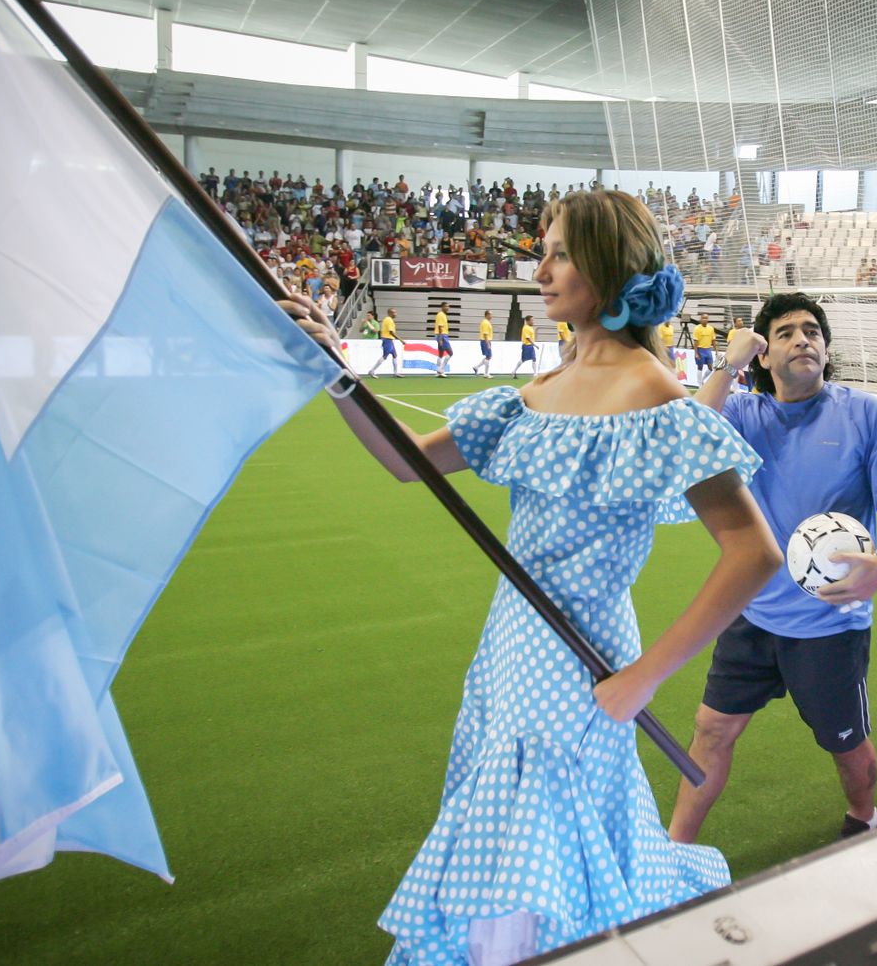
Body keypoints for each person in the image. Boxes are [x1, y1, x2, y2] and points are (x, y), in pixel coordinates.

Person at [285, 189, 785, 966]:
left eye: (558, 253)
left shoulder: (651, 392)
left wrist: (648, 677)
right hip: (509, 649)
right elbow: (405, 460)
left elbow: (754, 552)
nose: (540, 269)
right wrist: (334, 373)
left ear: (609, 266)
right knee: (523, 841)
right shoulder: (538, 393)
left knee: (525, 848)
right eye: (542, 251)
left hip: (585, 663)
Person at [669, 293, 877, 843]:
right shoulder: (742, 413)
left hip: (830, 622)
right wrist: (728, 363)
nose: (802, 339)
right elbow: (686, 438)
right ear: (764, 355)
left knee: (845, 743)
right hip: (753, 612)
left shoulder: (863, 413)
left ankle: (864, 818)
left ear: (826, 349)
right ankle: (675, 849)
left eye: (812, 331)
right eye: (785, 333)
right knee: (711, 731)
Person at [366, 307, 405, 377]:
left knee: (395, 355)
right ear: (390, 313)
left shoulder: (388, 319)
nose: (396, 314)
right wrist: (401, 340)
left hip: (389, 340)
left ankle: (395, 372)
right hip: (387, 339)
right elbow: (391, 332)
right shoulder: (389, 320)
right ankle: (372, 371)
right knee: (385, 356)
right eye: (394, 312)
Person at [691, 313, 717, 378]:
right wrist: (696, 353)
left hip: (708, 350)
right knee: (700, 367)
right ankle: (700, 385)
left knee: (711, 367)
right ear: (700, 319)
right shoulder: (697, 328)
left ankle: (703, 380)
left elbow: (713, 340)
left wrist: (716, 350)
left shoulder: (711, 328)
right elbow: (695, 342)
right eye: (703, 318)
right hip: (700, 350)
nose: (705, 319)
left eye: (706, 318)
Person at [434, 302, 453, 377]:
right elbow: (440, 327)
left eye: (448, 306)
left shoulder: (441, 315)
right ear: (442, 307)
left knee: (440, 354)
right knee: (450, 352)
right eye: (446, 306)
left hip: (440, 335)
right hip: (442, 336)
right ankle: (441, 369)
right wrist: (441, 339)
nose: (448, 308)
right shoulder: (441, 315)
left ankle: (438, 372)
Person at [475, 309, 495, 378]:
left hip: (486, 340)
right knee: (488, 356)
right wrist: (488, 343)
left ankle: (476, 367)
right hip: (485, 340)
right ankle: (486, 373)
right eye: (490, 314)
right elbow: (485, 334)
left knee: (488, 356)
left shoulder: (486, 322)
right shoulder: (486, 323)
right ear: (487, 315)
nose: (492, 316)